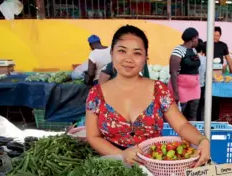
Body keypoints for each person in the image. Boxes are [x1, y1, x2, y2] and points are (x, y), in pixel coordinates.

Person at [86, 25, 210, 167]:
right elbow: (93, 136)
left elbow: (181, 125)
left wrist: (202, 140)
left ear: (145, 58)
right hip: (113, 169)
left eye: (137, 53)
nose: (129, 59)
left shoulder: (158, 90)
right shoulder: (96, 94)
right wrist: (121, 155)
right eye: (122, 51)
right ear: (112, 54)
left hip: (155, 168)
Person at [168, 28, 200, 121]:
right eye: (197, 38)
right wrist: (176, 93)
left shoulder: (194, 51)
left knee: (193, 114)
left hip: (194, 87)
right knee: (179, 115)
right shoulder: (178, 50)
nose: (197, 40)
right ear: (193, 38)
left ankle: (192, 133)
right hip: (181, 88)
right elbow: (173, 71)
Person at [196, 39, 207, 121]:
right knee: (200, 108)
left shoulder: (190, 58)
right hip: (201, 86)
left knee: (191, 110)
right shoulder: (205, 59)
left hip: (191, 86)